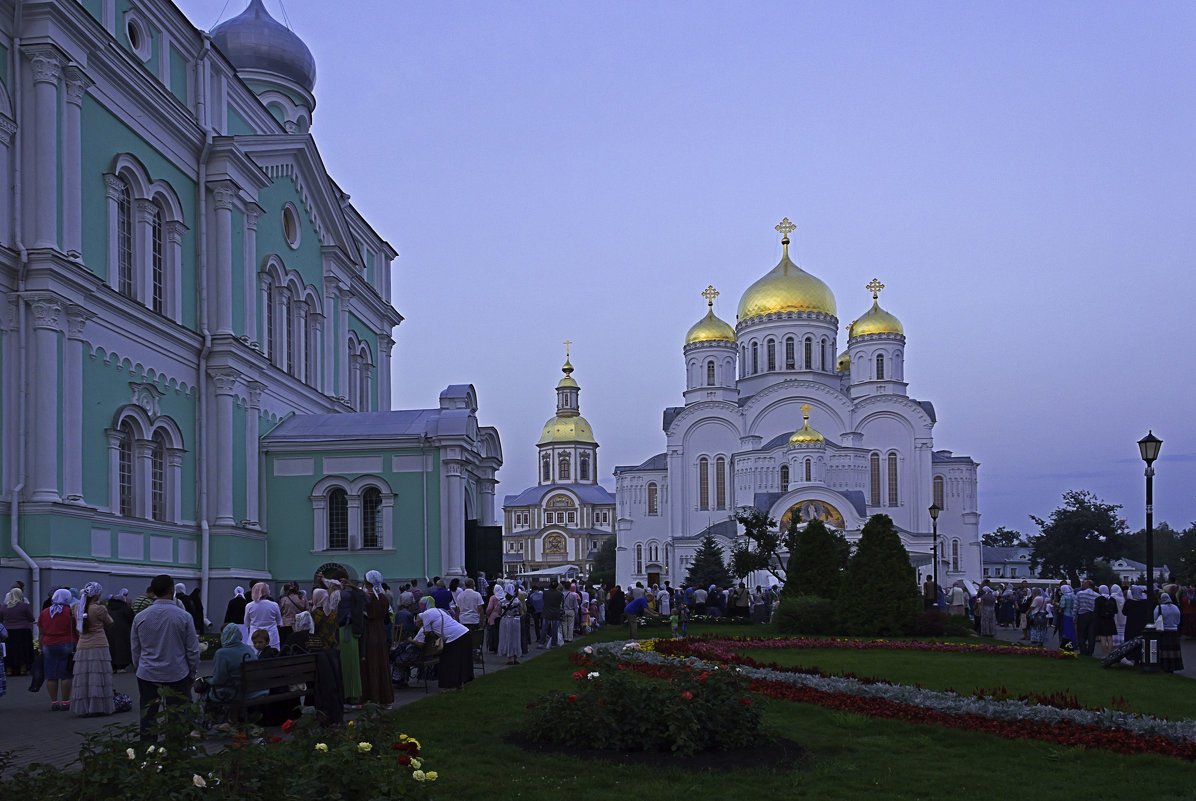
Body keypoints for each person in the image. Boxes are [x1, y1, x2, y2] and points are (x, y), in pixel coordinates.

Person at [131, 575, 200, 742]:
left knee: (148, 715)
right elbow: (192, 650)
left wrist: (139, 668)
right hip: (176, 672)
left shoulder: (141, 617)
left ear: (153, 591)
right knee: (176, 715)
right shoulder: (183, 616)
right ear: (172, 589)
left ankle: (148, 752)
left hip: (147, 673)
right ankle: (174, 751)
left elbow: (135, 649)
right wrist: (192, 673)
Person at [70, 581, 115, 716]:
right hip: (99, 644)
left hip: (82, 644)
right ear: (97, 594)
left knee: (84, 677)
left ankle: (84, 707)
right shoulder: (99, 609)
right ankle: (99, 706)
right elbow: (110, 622)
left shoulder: (77, 607)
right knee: (99, 675)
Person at [413, 598, 473, 690]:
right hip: (463, 633)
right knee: (458, 661)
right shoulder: (436, 610)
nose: (418, 624)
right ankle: (459, 684)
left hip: (454, 637)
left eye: (418, 623)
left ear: (418, 619)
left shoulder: (425, 616)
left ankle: (451, 686)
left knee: (447, 662)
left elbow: (427, 633)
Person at [36, 588, 77, 711]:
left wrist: (40, 645)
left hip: (49, 644)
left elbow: (41, 631)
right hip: (67, 643)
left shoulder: (45, 612)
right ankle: (65, 702)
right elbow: (76, 629)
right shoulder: (69, 612)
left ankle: (54, 702)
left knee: (51, 675)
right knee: (66, 674)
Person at [361, 570, 394, 707]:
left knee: (371, 665)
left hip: (369, 632)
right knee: (382, 664)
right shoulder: (384, 598)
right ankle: (385, 698)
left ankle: (372, 698)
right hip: (380, 633)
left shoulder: (367, 598)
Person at [0, 586, 36, 676]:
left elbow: (1, 619)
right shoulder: (24, 606)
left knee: (9, 650)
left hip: (8, 632)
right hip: (23, 631)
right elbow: (31, 618)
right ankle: (23, 669)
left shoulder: (4, 607)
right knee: (22, 650)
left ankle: (9, 670)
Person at [244, 582, 283, 651]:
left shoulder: (249, 606)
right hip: (272, 636)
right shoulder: (274, 605)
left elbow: (247, 622)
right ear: (267, 592)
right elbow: (279, 621)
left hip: (255, 637)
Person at [1154, 592, 1184, 672]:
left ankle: (1164, 666)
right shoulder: (1175, 608)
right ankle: (1173, 666)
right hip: (1174, 632)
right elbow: (1178, 621)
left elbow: (1155, 620)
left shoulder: (1159, 607)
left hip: (1163, 632)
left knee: (1164, 651)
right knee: (1173, 652)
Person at [106, 590, 135, 672]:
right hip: (124, 631)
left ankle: (112, 665)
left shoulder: (108, 608)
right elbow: (131, 618)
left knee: (112, 647)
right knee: (123, 648)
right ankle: (121, 666)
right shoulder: (125, 607)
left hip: (110, 630)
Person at [496, 584, 524, 665]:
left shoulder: (501, 601)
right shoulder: (517, 601)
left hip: (505, 621)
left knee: (507, 638)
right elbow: (521, 612)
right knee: (516, 638)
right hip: (515, 621)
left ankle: (510, 658)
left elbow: (498, 612)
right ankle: (515, 657)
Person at [1073, 579, 1099, 656]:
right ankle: (1090, 651)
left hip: (1083, 615)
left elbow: (1076, 606)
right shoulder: (1097, 595)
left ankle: (1083, 650)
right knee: (1091, 634)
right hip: (1093, 615)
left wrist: (1074, 616)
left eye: (1084, 584)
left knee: (1081, 634)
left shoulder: (1080, 594)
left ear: (1087, 585)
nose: (1082, 586)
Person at [539, 581, 564, 649]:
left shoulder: (545, 593)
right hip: (556, 613)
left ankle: (541, 643)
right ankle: (553, 644)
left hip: (546, 612)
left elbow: (544, 600)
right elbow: (561, 603)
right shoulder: (560, 594)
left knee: (544, 629)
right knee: (554, 630)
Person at [1094, 584, 1117, 656]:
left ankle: (1104, 655)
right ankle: (1110, 654)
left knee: (1103, 638)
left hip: (1101, 620)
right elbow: (1116, 610)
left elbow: (1096, 611)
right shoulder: (1112, 599)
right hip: (1110, 620)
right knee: (1110, 638)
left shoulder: (1098, 599)